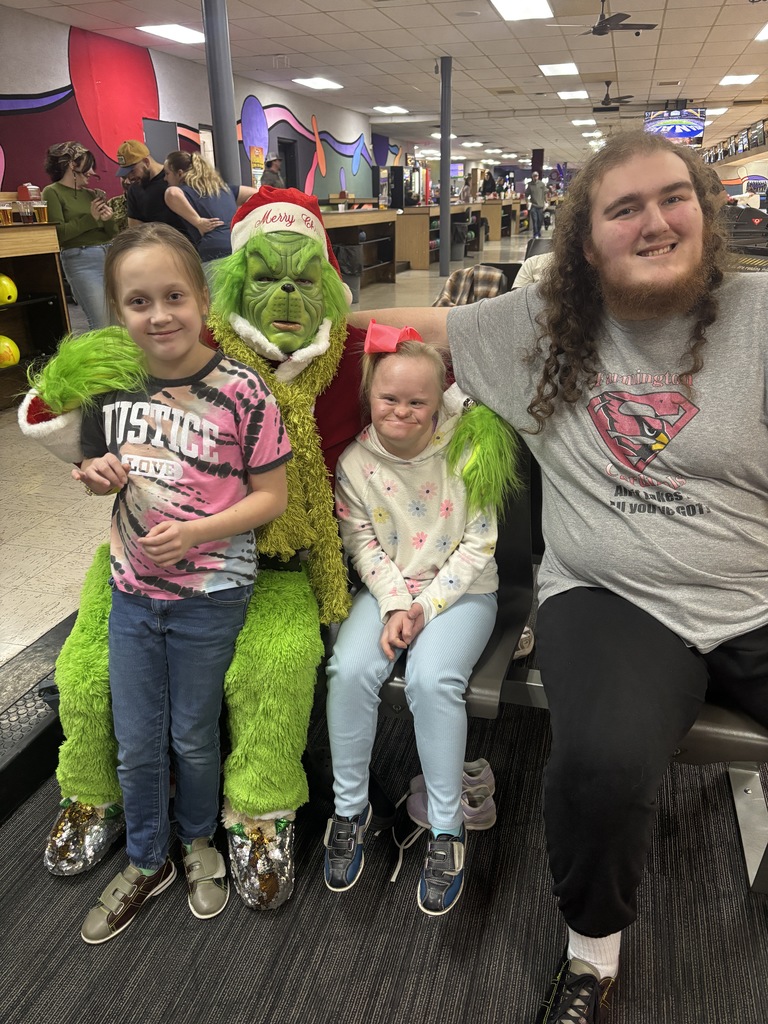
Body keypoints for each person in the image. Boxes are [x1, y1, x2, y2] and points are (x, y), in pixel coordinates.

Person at [349, 129, 768, 1022]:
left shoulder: (760, 317)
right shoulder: (537, 327)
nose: (654, 223)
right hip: (612, 597)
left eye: (673, 198)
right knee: (602, 768)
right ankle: (593, 955)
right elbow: (403, 331)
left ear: (704, 209)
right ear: (586, 240)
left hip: (756, 591)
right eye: (624, 209)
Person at [74, 223, 291, 943]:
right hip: (134, 594)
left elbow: (273, 497)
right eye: (138, 301)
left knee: (194, 734)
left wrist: (199, 532)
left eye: (173, 295)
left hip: (210, 594)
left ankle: (198, 840)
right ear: (116, 311)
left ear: (202, 299)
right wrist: (93, 473)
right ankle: (146, 859)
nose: (159, 314)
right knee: (138, 740)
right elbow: (93, 468)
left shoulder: (242, 391)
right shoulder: (110, 386)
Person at [323, 324, 513, 916]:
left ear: (438, 403)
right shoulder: (355, 462)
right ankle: (349, 811)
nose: (401, 411)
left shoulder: (468, 450)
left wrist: (423, 608)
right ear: (369, 397)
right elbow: (362, 546)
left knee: (433, 682)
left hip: (463, 594)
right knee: (348, 670)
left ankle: (448, 829)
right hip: (388, 593)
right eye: (389, 399)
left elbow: (480, 544)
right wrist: (392, 604)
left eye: (417, 402)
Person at [42, 142, 118, 330]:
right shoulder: (52, 192)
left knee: (120, 322)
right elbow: (59, 234)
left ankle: (123, 359)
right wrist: (91, 219)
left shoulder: (92, 194)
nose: (92, 172)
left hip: (108, 255)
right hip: (81, 259)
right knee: (101, 322)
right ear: (71, 165)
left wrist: (108, 219)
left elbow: (111, 233)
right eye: (87, 166)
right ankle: (102, 360)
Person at [163, 150, 257, 283]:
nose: (165, 178)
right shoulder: (224, 189)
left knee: (216, 300)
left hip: (213, 251)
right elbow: (256, 194)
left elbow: (171, 193)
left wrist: (198, 221)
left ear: (179, 174)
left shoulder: (185, 190)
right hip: (238, 246)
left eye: (167, 173)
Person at [116, 139, 185, 234]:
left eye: (132, 171)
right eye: (126, 173)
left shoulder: (173, 179)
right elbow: (135, 228)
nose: (130, 177)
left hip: (183, 243)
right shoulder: (134, 189)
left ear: (146, 162)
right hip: (155, 244)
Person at [525, 170, 547, 239]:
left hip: (540, 206)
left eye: (536, 176)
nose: (535, 177)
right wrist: (527, 202)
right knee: (535, 220)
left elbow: (545, 193)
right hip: (533, 206)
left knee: (540, 220)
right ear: (532, 177)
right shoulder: (530, 185)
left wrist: (546, 201)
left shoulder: (542, 184)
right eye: (534, 176)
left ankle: (538, 231)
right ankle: (535, 233)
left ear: (538, 176)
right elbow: (526, 195)